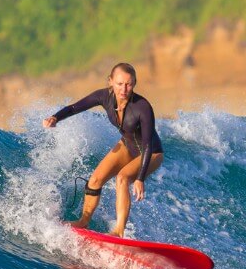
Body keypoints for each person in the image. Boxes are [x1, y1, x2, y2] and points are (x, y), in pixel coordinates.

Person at [43, 63, 164, 238]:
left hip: (151, 153)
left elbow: (147, 145)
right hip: (127, 146)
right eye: (120, 83)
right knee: (95, 180)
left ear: (134, 83)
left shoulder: (143, 107)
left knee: (123, 178)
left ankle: (119, 231)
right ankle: (83, 222)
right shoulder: (104, 97)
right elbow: (75, 108)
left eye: (129, 84)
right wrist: (56, 117)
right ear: (111, 81)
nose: (124, 89)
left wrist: (139, 178)